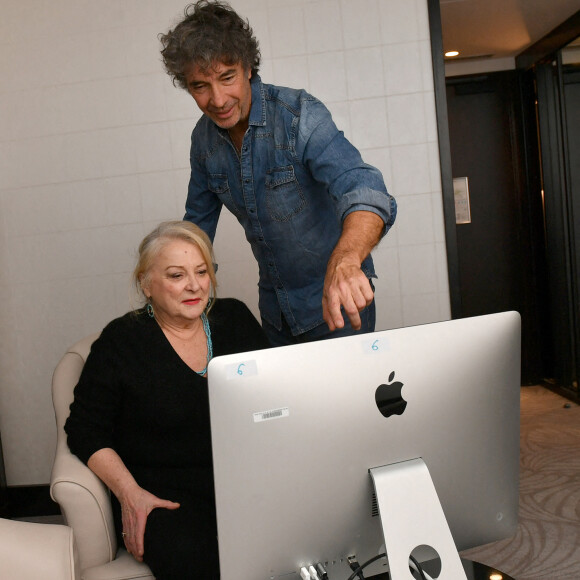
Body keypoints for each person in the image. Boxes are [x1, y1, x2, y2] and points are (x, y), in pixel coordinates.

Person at [159, 0, 397, 347]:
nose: (218, 99)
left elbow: (363, 187)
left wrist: (347, 261)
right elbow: (196, 229)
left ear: (248, 68)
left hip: (338, 307)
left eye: (227, 78)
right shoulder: (203, 141)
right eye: (200, 86)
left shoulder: (300, 116)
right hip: (274, 313)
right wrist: (170, 286)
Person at [65, 220, 270, 579]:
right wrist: (130, 494)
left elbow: (274, 392)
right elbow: (84, 429)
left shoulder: (234, 318)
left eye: (202, 271)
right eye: (176, 275)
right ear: (146, 284)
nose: (194, 285)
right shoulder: (121, 341)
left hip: (242, 480)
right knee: (196, 560)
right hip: (164, 495)